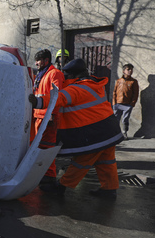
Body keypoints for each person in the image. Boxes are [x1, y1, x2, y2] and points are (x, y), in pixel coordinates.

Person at [29, 58, 124, 199]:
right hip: (108, 130)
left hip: (95, 133)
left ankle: (61, 187)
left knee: (81, 161)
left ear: (73, 76)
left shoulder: (77, 88)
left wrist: (38, 101)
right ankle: (109, 190)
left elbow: (58, 98)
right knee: (106, 161)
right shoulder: (92, 85)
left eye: (67, 75)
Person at [31, 49, 64, 190]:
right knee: (38, 147)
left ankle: (49, 177)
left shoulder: (55, 74)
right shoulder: (40, 74)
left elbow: (56, 96)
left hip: (49, 118)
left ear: (45, 60)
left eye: (38, 60)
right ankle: (42, 173)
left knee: (46, 148)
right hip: (38, 116)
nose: (36, 63)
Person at [112, 63, 139, 139]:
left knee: (125, 120)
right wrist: (114, 103)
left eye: (131, 69)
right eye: (128, 69)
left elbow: (135, 94)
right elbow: (114, 92)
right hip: (118, 103)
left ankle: (124, 133)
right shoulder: (119, 81)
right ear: (124, 71)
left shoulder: (133, 82)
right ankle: (116, 134)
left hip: (127, 104)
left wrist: (132, 104)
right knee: (116, 120)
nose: (130, 71)